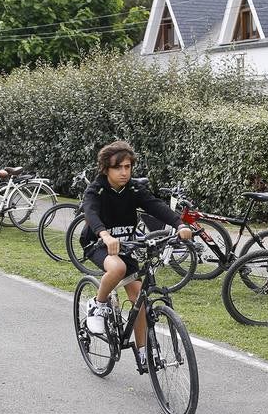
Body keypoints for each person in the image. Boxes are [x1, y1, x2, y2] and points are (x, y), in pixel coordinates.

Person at [80, 140, 192, 369]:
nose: (124, 172)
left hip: (126, 246)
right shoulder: (96, 189)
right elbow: (91, 213)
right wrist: (105, 235)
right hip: (99, 244)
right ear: (106, 169)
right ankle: (97, 303)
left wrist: (180, 225)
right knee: (118, 268)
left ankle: (143, 353)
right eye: (118, 167)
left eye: (128, 167)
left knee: (139, 299)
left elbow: (155, 206)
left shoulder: (133, 188)